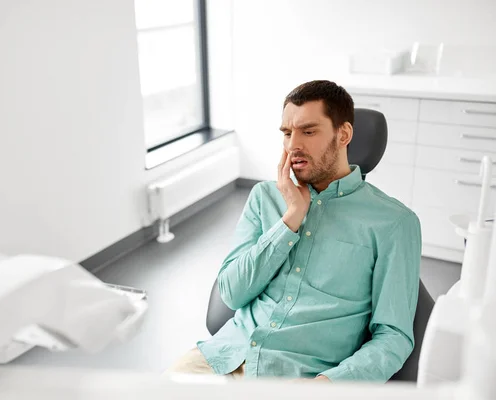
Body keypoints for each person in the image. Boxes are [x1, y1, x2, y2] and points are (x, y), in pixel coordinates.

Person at [165, 80, 422, 382]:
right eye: (287, 133)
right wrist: (290, 220)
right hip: (224, 357)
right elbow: (231, 294)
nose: (292, 145)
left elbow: (393, 337)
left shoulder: (393, 222)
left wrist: (330, 385)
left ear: (344, 134)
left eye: (308, 131)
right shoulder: (264, 197)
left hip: (301, 378)